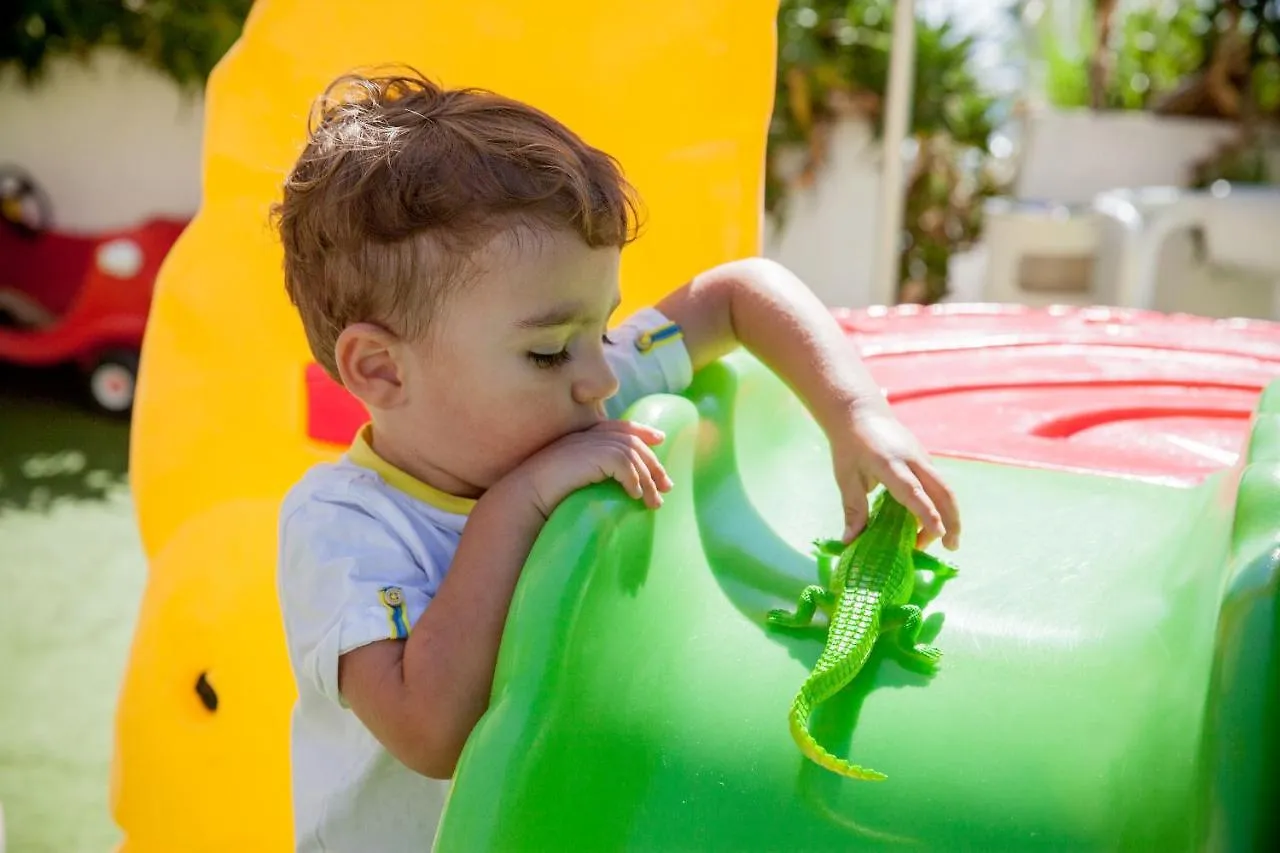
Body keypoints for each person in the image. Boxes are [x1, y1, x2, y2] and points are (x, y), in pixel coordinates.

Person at [273, 68, 961, 852]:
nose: (603, 374)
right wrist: (516, 504)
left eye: (600, 329)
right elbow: (428, 731)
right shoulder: (344, 528)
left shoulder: (577, 393)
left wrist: (856, 413)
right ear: (382, 370)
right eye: (546, 350)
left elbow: (736, 292)